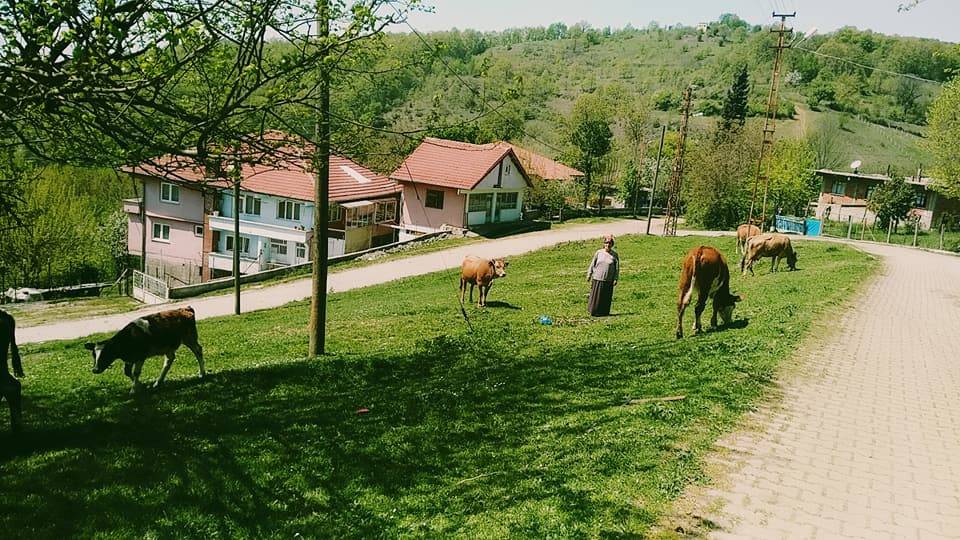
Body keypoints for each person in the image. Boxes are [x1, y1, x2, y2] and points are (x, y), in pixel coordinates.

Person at [586, 234, 619, 316]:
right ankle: (594, 311)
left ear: (612, 245)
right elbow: (592, 264)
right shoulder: (599, 252)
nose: (608, 245)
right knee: (596, 296)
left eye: (610, 243)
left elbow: (617, 268)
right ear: (604, 244)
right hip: (597, 278)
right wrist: (589, 274)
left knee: (605, 297)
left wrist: (615, 278)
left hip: (608, 279)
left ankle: (603, 312)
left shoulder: (614, 255)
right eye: (606, 243)